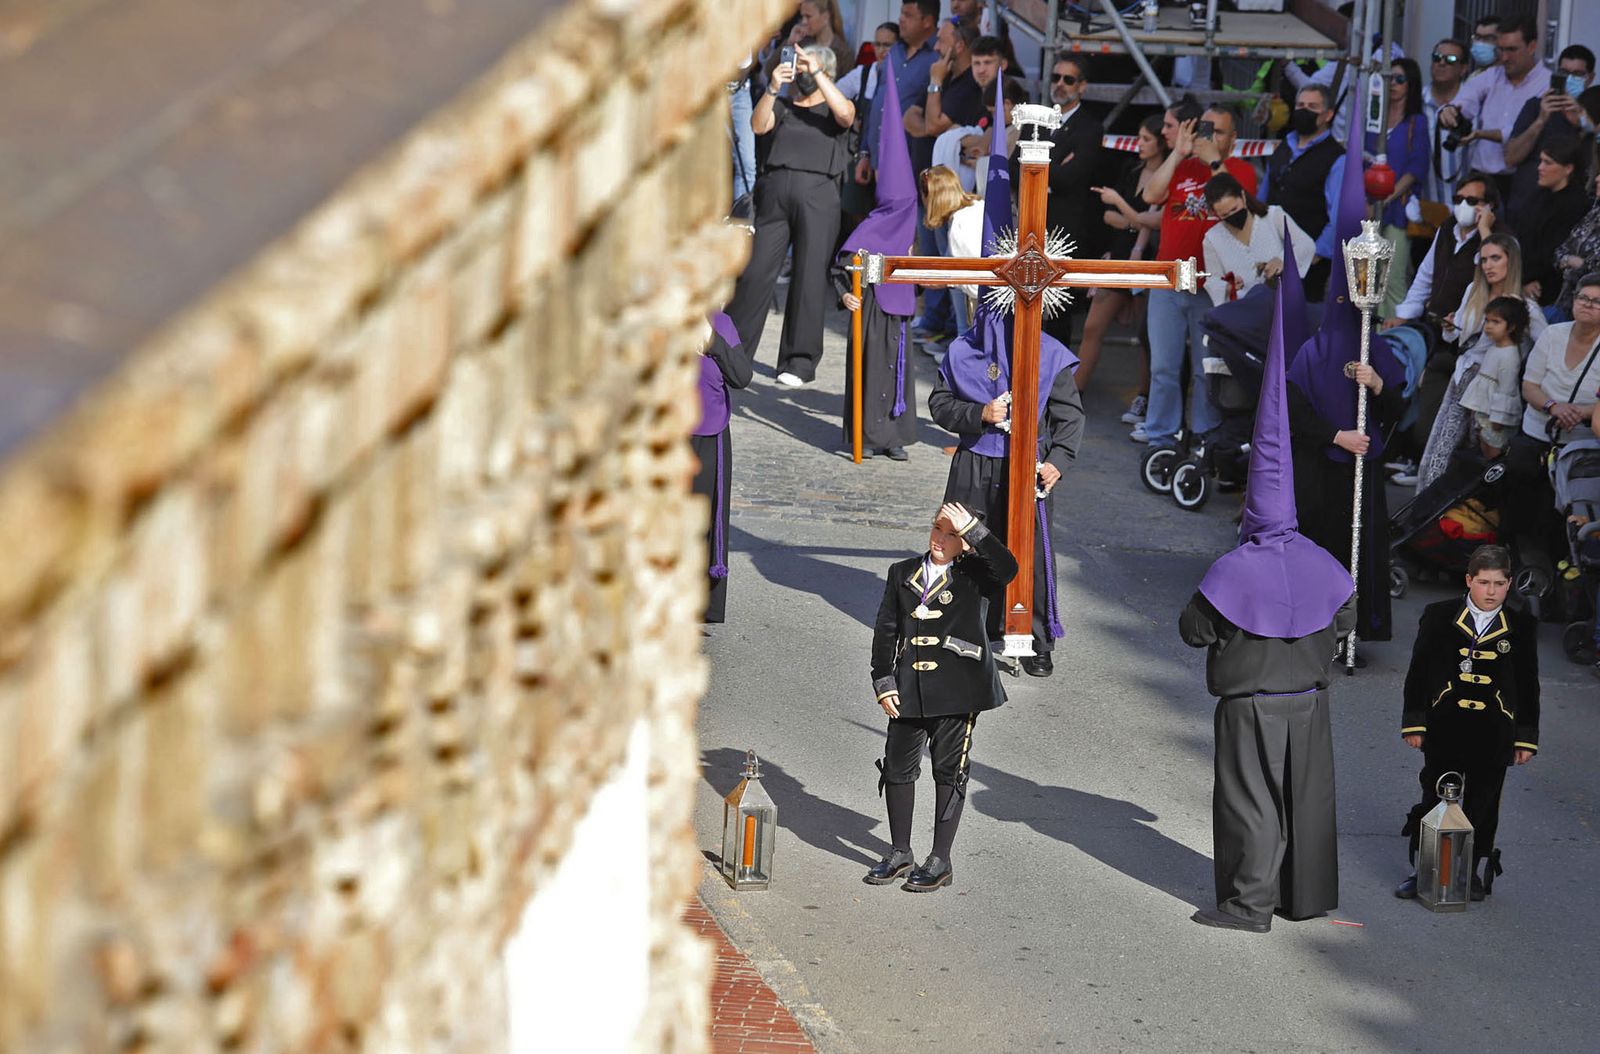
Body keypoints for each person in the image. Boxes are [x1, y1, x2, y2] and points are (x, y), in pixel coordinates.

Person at [1180, 272, 1356, 933]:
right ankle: (1302, 898)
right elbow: (1343, 616)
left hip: (1250, 703)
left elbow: (1193, 629)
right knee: (1305, 802)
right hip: (1309, 701)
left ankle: (1248, 906)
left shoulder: (1236, 568)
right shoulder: (1323, 563)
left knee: (1250, 801)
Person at [1288, 129, 1406, 650]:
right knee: (1319, 545)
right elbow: (1293, 410)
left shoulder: (1374, 347)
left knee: (1362, 547)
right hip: (1321, 471)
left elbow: (1399, 407)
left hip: (1364, 469)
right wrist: (1337, 436)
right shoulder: (1312, 352)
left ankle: (1356, 630)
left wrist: (1376, 384)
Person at [866, 501, 1018, 892]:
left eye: (951, 534)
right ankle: (900, 851)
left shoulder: (974, 574)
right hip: (908, 689)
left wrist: (973, 529)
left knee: (949, 771)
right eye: (937, 528)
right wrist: (883, 680)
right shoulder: (902, 572)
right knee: (897, 767)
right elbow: (886, 630)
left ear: (965, 542)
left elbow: (1008, 568)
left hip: (958, 692)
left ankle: (940, 859)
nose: (940, 539)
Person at [1396, 545, 1539, 900]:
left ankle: (1470, 870)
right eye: (1484, 582)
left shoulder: (1520, 626)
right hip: (1446, 725)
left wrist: (1525, 737)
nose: (1491, 591)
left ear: (1509, 584)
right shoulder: (1439, 616)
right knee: (1434, 796)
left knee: (1483, 804)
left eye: (1499, 584)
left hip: (1495, 730)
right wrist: (1415, 722)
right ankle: (1423, 871)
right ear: (1469, 580)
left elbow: (1528, 684)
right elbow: (1418, 672)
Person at [719, 45, 854, 389]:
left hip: (819, 195)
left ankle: (799, 360)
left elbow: (846, 115)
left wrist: (817, 72)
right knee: (755, 272)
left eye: (809, 67)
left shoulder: (834, 106)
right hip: (775, 194)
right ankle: (733, 350)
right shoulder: (783, 105)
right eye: (801, 67)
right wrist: (774, 86)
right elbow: (758, 125)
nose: (803, 73)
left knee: (809, 275)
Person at [1142, 102, 1257, 451]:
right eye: (1205, 129)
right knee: (1163, 367)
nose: (1208, 137)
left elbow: (1240, 212)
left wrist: (1214, 162)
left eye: (1217, 131)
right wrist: (1178, 153)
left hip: (1213, 285)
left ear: (1233, 139)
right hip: (1169, 279)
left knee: (1205, 368)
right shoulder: (1182, 165)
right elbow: (1151, 194)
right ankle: (1160, 438)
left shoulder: (1240, 170)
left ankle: (1206, 439)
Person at [837, 57, 919, 460]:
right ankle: (867, 435)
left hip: (898, 309)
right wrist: (845, 294)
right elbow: (844, 264)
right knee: (870, 368)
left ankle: (893, 436)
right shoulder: (873, 225)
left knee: (897, 368)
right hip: (870, 307)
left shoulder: (907, 223)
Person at [1504, 275, 1600, 567]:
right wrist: (1553, 406)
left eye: (1597, 302)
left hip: (1580, 447)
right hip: (1537, 434)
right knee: (1521, 504)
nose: (1588, 305)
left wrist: (1583, 412)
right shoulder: (1552, 334)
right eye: (1583, 298)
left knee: (1561, 517)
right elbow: (1529, 386)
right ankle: (1514, 563)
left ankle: (1559, 574)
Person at [1085, 113, 1167, 406]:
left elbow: (1153, 222)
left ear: (1161, 143)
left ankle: (1144, 398)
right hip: (1120, 255)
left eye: (1146, 139)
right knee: (1092, 327)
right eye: (1138, 137)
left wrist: (1126, 212)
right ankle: (1072, 393)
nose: (1139, 144)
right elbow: (1108, 216)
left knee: (1147, 337)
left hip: (1150, 261)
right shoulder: (1131, 169)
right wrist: (1136, 221)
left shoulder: (1166, 178)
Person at [1415, 295, 1531, 492]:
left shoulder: (1510, 355)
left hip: (1494, 418)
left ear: (1511, 327)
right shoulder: (1494, 349)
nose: (1488, 326)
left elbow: (1507, 389)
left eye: (1496, 322)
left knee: (1493, 458)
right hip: (1482, 414)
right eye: (1487, 320)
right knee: (1481, 453)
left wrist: (1498, 418)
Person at [1437, 15, 1552, 191]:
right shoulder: (1491, 76)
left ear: (1531, 47)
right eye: (1500, 49)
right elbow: (1465, 101)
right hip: (1482, 177)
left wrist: (1480, 134)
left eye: (1512, 49)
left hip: (1523, 181)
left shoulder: (1547, 83)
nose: (1504, 57)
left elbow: (1521, 131)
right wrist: (1449, 112)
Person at [697, 313, 754, 623]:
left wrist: (712, 341)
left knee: (703, 520)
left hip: (709, 436)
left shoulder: (720, 323)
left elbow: (741, 376)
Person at [1263, 84, 1343, 298]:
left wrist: (1310, 257)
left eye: (1312, 106)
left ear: (1328, 115)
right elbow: (1263, 199)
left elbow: (1337, 220)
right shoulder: (1283, 147)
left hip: (1308, 268)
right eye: (1300, 105)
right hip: (1268, 257)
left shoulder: (1337, 158)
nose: (1304, 110)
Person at [1501, 44, 1594, 228]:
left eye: (1577, 74)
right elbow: (1511, 158)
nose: (1570, 79)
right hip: (1525, 208)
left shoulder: (1593, 113)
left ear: (1590, 78)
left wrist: (1582, 123)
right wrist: (1540, 120)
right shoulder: (1535, 107)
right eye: (1564, 73)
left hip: (1568, 213)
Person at [1371, 58, 1432, 317]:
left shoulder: (1417, 122)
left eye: (1400, 79)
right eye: (1389, 78)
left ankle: (1393, 333)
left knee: (1392, 277)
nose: (1393, 84)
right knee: (1368, 278)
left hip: (1398, 208)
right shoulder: (1374, 117)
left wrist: (1385, 198)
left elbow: (1416, 169)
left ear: (1411, 84)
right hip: (1369, 207)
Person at [1200, 173, 1314, 306]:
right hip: (1245, 310)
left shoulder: (1273, 216)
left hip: (1283, 303)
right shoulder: (1212, 239)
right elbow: (1212, 279)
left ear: (1243, 196)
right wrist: (1228, 286)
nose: (1232, 215)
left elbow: (1305, 244)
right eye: (1224, 215)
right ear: (1215, 214)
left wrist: (1282, 259)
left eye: (1234, 208)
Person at [1512, 140, 1589, 308]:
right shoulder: (1537, 195)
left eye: (1548, 162)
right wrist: (1522, 278)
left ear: (1568, 168)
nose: (1540, 167)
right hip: (1522, 279)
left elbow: (1557, 249)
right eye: (1540, 161)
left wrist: (1530, 278)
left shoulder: (1576, 204)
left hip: (1549, 290)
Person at [1423, 40, 1471, 208]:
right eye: (1437, 58)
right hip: (1423, 206)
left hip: (1465, 207)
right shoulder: (1416, 102)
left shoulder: (1474, 104)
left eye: (1450, 60)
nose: (1441, 63)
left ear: (1463, 69)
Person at [1553, 170, 1600, 315]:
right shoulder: (1594, 214)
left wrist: (1581, 265)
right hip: (1567, 302)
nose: (1597, 178)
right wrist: (1571, 260)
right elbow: (1559, 253)